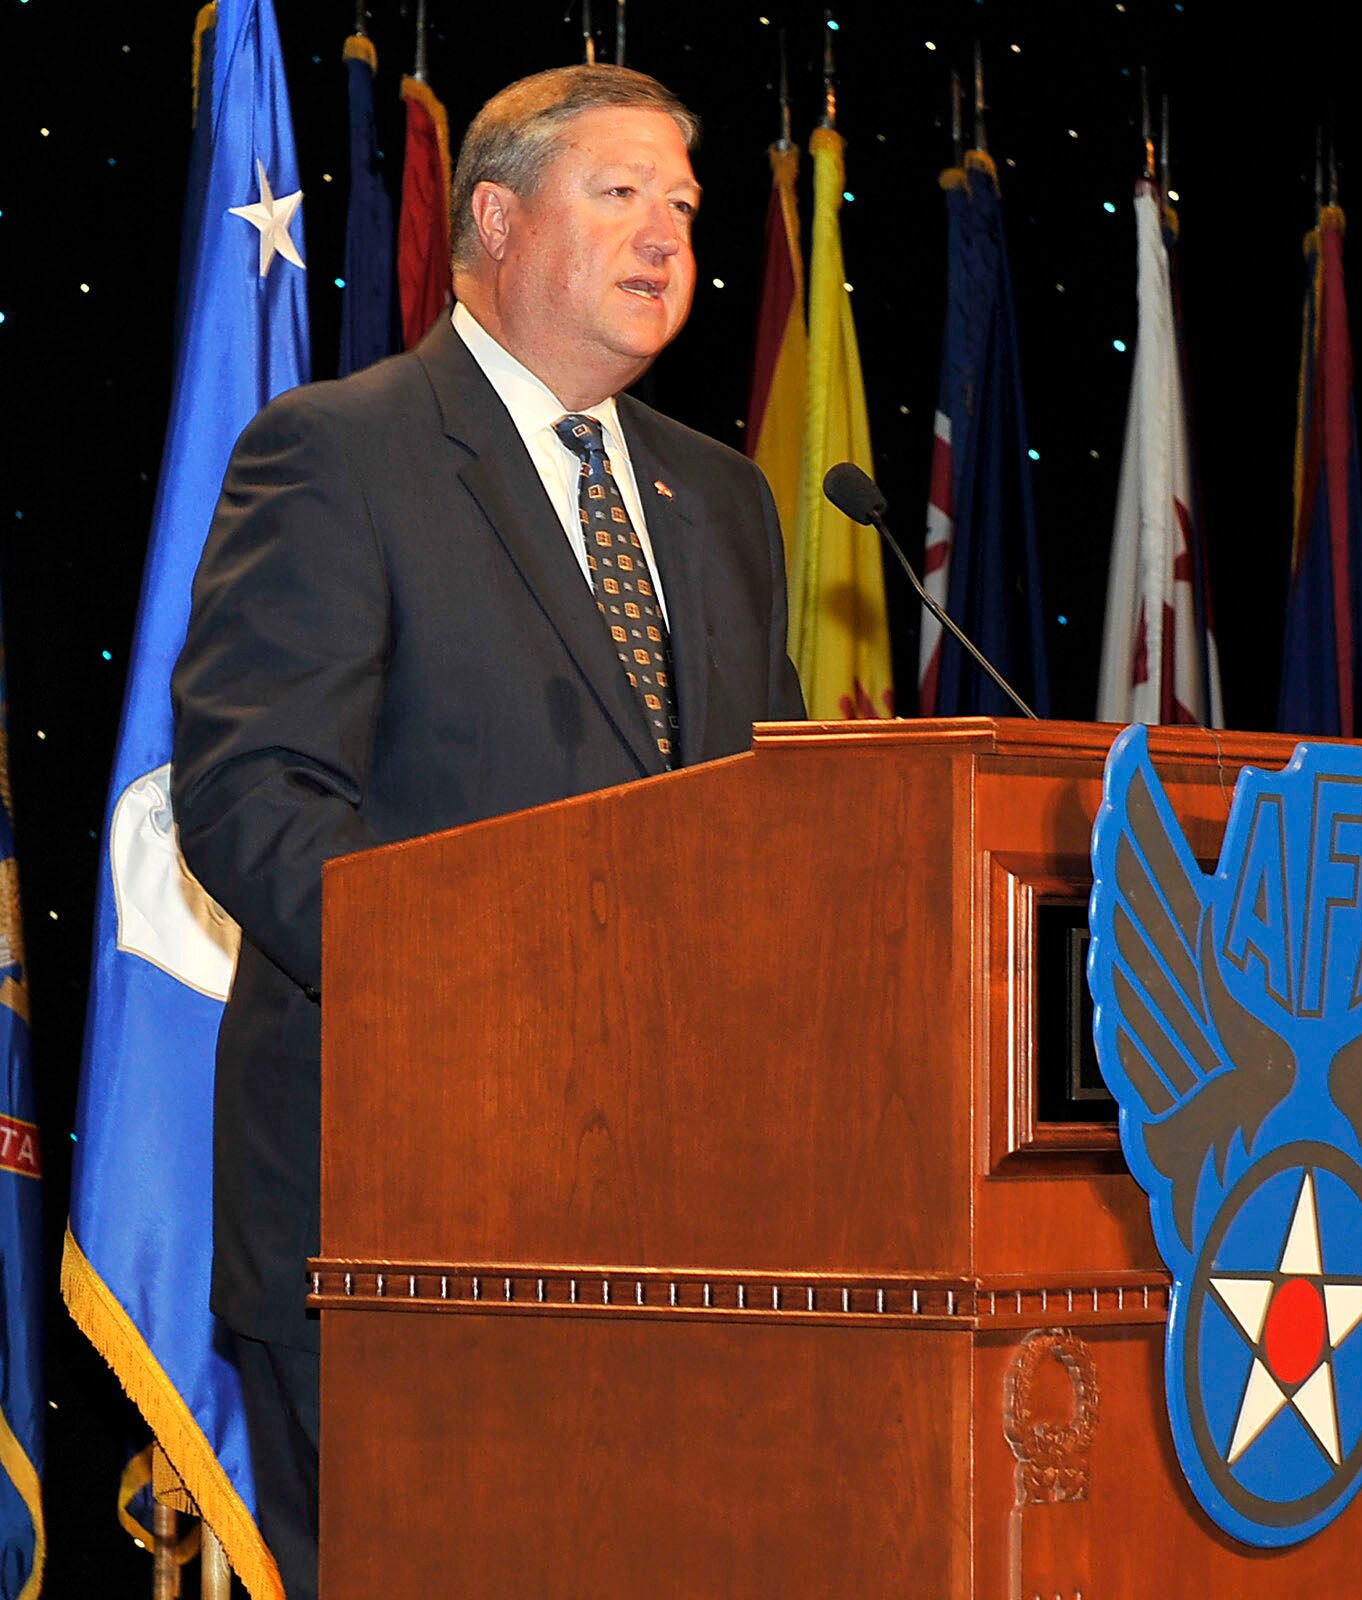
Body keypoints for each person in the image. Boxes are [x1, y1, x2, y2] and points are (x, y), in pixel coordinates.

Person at [170, 64, 805, 1599]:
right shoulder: (340, 453)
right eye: (622, 196)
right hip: (404, 1196)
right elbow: (251, 796)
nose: (669, 240)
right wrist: (515, 994)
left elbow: (775, 820)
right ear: (499, 222)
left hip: (685, 1209)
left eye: (686, 207)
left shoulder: (723, 500)